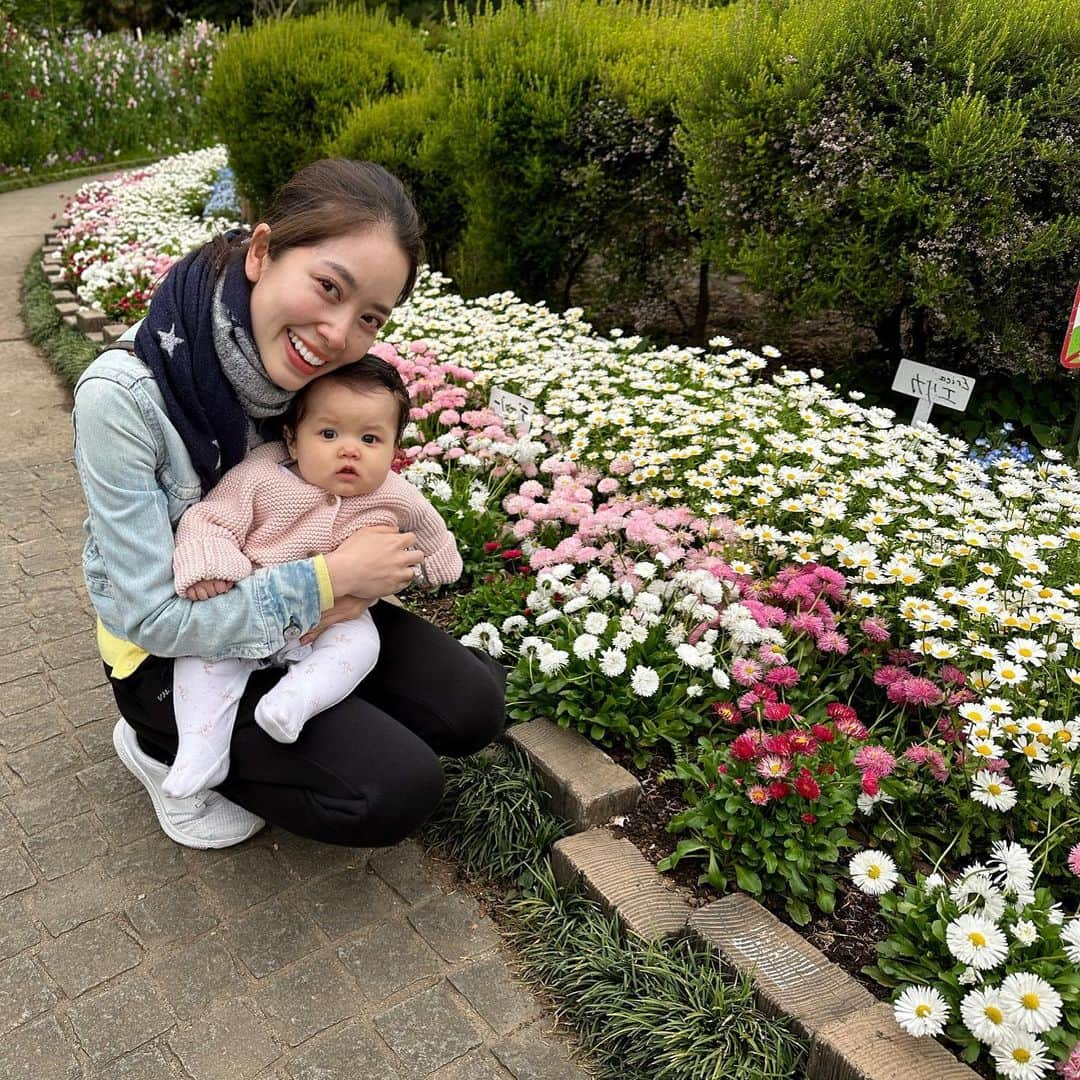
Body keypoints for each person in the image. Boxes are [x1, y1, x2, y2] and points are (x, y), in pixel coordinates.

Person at [72, 158, 505, 849]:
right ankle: (159, 749)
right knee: (393, 791)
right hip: (169, 650)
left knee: (471, 706)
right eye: (327, 288)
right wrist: (329, 582)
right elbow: (151, 615)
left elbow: (360, 492)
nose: (338, 334)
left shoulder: (309, 384)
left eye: (368, 317)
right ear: (264, 251)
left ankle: (310, 716)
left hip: (305, 615)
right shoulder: (124, 400)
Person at [164, 357, 463, 798]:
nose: (350, 450)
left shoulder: (393, 492)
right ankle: (200, 749)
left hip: (333, 619)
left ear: (394, 449)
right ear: (292, 438)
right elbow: (211, 520)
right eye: (328, 434)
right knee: (200, 663)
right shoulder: (260, 477)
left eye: (370, 439)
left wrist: (437, 566)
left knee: (362, 645)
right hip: (251, 609)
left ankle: (295, 701)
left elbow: (427, 529)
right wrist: (210, 566)